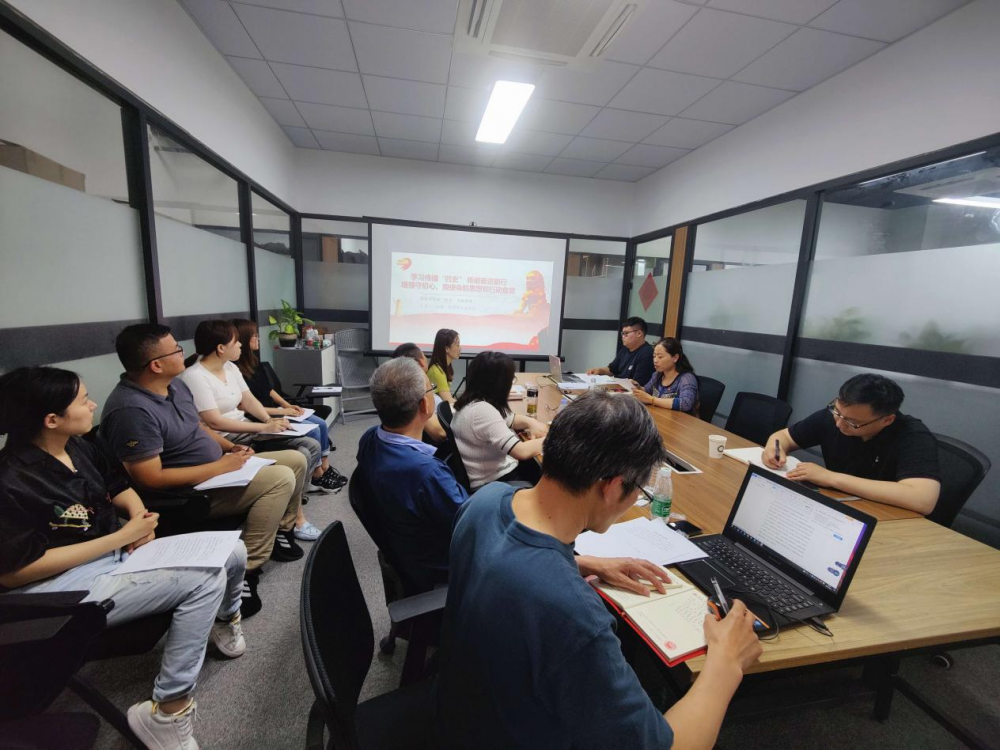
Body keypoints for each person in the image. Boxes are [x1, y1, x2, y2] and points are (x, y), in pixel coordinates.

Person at [436, 391, 763, 748]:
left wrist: (577, 563)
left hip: (464, 712)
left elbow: (501, 564)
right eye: (638, 490)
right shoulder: (575, 615)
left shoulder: (485, 502)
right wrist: (726, 664)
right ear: (612, 486)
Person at [0, 367, 248, 750]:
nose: (93, 405)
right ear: (51, 419)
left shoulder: (78, 447)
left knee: (233, 549)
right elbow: (15, 573)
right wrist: (120, 537)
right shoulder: (11, 479)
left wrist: (138, 519)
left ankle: (224, 620)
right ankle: (169, 711)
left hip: (113, 554)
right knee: (205, 578)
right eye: (83, 400)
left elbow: (118, 486)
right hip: (56, 591)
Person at [100, 324, 307, 615]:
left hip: (216, 468)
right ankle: (245, 568)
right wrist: (219, 466)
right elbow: (150, 478)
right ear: (156, 365)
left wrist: (229, 448)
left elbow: (198, 427)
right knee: (280, 478)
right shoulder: (131, 410)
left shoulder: (175, 386)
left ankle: (280, 530)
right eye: (176, 350)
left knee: (296, 460)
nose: (183, 353)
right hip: (188, 492)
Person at [179, 320, 324, 542]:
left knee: (311, 445)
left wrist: (270, 421)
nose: (240, 346)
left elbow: (248, 400)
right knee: (302, 452)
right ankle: (294, 519)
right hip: (225, 438)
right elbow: (214, 422)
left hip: (248, 427)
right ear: (221, 348)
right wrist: (264, 427)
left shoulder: (230, 367)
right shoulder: (195, 376)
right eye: (236, 342)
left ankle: (288, 513)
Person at [356, 358, 468, 591]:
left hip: (408, 550)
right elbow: (469, 524)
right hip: (443, 567)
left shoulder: (369, 439)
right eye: (431, 389)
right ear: (425, 405)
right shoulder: (427, 474)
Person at [763, 374, 941, 515]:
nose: (839, 424)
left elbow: (923, 499)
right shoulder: (835, 416)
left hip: (888, 517)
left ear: (887, 420)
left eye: (853, 422)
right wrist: (774, 448)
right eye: (837, 411)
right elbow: (783, 436)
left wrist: (831, 478)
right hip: (840, 509)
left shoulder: (913, 436)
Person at [232, 318, 346, 496]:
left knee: (321, 424)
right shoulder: (235, 369)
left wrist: (288, 404)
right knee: (314, 430)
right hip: (261, 416)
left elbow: (268, 390)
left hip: (274, 411)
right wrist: (282, 411)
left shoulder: (254, 362)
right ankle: (317, 475)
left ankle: (324, 466)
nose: (258, 338)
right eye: (254, 335)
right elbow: (244, 406)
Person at [451, 351, 547, 489]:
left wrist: (531, 422)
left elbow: (510, 419)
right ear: (499, 384)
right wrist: (551, 439)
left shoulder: (473, 402)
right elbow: (521, 451)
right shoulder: (482, 411)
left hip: (490, 474)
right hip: (493, 483)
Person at [391, 341, 446, 443]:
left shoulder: (394, 391)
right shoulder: (414, 396)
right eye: (424, 355)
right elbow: (440, 433)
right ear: (421, 362)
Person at [632, 337, 699, 415]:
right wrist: (638, 387)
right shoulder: (657, 375)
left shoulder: (687, 378)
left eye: (660, 357)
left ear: (675, 358)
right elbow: (647, 390)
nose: (655, 360)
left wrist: (652, 400)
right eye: (654, 356)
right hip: (660, 415)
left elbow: (685, 404)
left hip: (680, 420)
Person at [587, 316, 655, 385]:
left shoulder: (647, 354)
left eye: (626, 333)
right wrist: (599, 370)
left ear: (639, 333)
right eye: (622, 333)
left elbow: (637, 385)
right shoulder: (625, 349)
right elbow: (612, 370)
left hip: (629, 389)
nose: (623, 337)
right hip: (618, 386)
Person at [427, 328, 461, 404]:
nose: (460, 349)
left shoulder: (442, 368)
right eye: (457, 345)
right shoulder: (437, 371)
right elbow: (449, 401)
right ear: (446, 348)